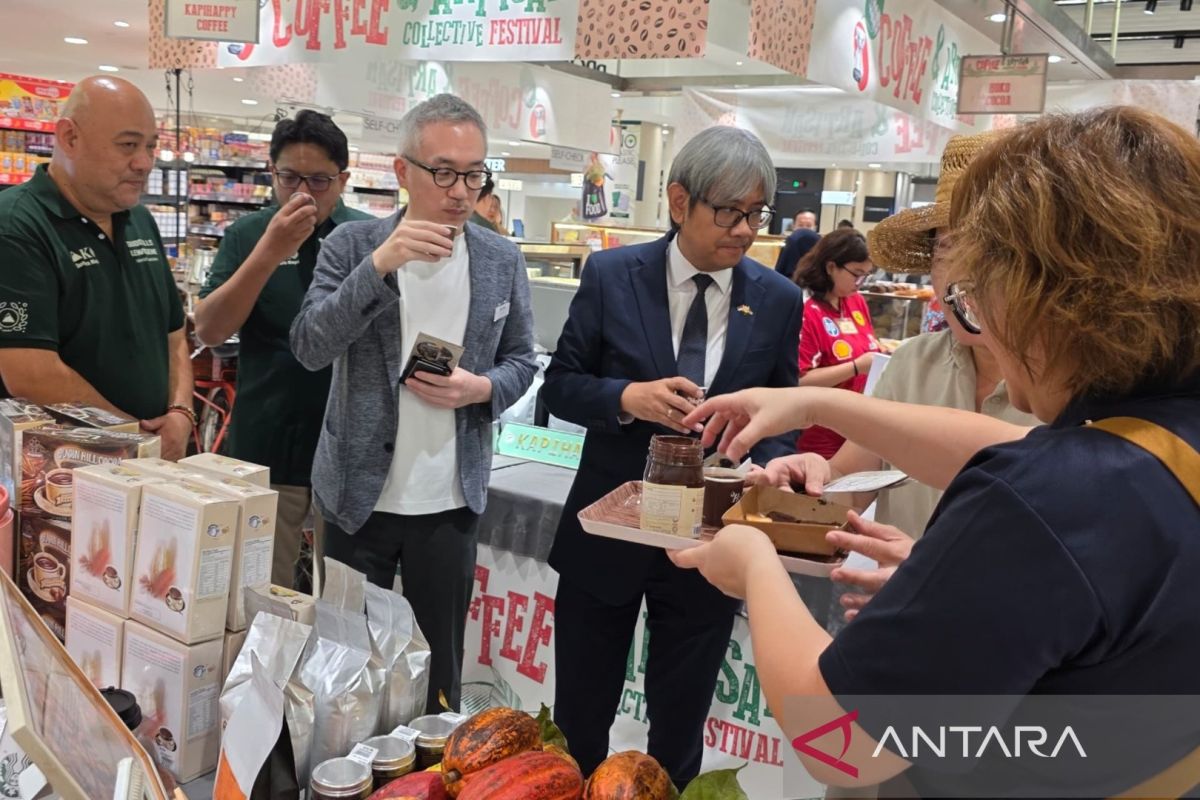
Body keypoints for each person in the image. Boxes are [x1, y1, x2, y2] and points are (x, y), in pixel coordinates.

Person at [672, 107, 1200, 796]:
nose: (974, 319)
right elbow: (1022, 451)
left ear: (1050, 296)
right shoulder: (1155, 443)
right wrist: (814, 405)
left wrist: (753, 564)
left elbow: (839, 743)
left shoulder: (1040, 500)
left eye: (981, 292)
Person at [542, 126, 804, 789]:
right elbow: (561, 385)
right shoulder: (611, 275)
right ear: (679, 201)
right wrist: (626, 397)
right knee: (579, 720)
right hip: (608, 533)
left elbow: (782, 411)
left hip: (708, 541)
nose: (746, 231)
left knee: (680, 728)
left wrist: (769, 464)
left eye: (758, 214)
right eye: (731, 212)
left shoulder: (777, 299)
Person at [290, 94, 537, 713]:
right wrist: (380, 266)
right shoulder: (352, 244)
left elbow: (522, 360)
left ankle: (435, 764)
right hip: (356, 498)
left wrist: (481, 389)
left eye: (474, 175)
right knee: (346, 668)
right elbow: (310, 347)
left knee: (440, 673)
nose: (460, 192)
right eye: (444, 172)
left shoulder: (500, 258)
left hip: (450, 502)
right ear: (403, 171)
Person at [757, 132, 1038, 601]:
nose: (962, 274)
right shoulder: (911, 364)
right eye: (946, 250)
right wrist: (807, 483)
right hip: (891, 624)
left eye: (986, 251)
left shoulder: (1071, 387)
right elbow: (848, 487)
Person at [193, 110, 372, 588]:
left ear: (343, 180)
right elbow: (210, 329)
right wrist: (269, 252)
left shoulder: (368, 238)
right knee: (260, 594)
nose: (302, 193)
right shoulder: (248, 235)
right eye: (289, 177)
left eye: (319, 181)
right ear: (271, 172)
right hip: (267, 440)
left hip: (348, 448)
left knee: (343, 595)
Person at [0, 76, 193, 460]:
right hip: (61, 468)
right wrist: (136, 438)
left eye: (150, 146)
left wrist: (181, 413)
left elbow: (173, 336)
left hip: (147, 460)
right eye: (128, 145)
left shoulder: (140, 220)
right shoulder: (15, 225)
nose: (145, 163)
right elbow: (30, 373)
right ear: (70, 137)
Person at [792, 229, 881, 458]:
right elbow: (798, 381)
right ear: (831, 267)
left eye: (866, 276)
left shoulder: (856, 301)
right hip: (820, 435)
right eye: (856, 274)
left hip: (859, 429)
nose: (860, 283)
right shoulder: (806, 309)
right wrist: (856, 367)